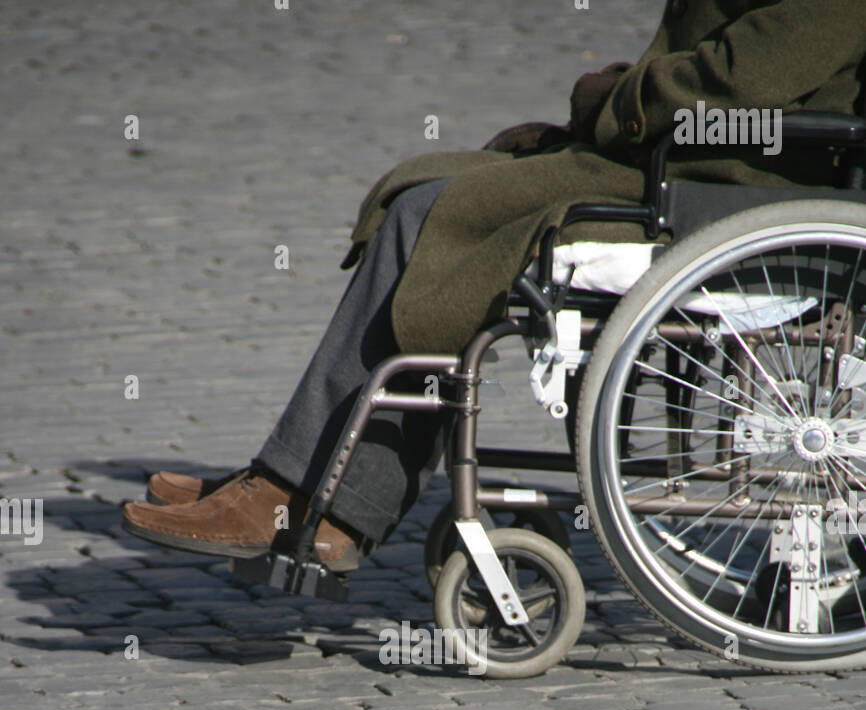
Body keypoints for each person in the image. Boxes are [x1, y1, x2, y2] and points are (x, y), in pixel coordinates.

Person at [122, 0, 866, 572]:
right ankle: (301, 481)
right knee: (421, 191)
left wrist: (612, 103)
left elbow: (735, 81)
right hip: (697, 166)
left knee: (432, 217)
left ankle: (307, 499)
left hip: (729, 184)